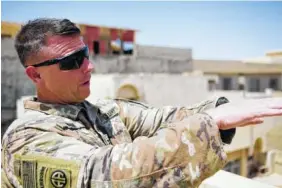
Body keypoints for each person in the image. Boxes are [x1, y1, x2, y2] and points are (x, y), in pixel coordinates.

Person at [1, 18, 282, 188]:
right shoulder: (26, 141)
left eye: (85, 54)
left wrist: (217, 111)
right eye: (74, 61)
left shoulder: (101, 110)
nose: (89, 66)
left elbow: (159, 119)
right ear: (35, 73)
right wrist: (210, 124)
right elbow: (107, 174)